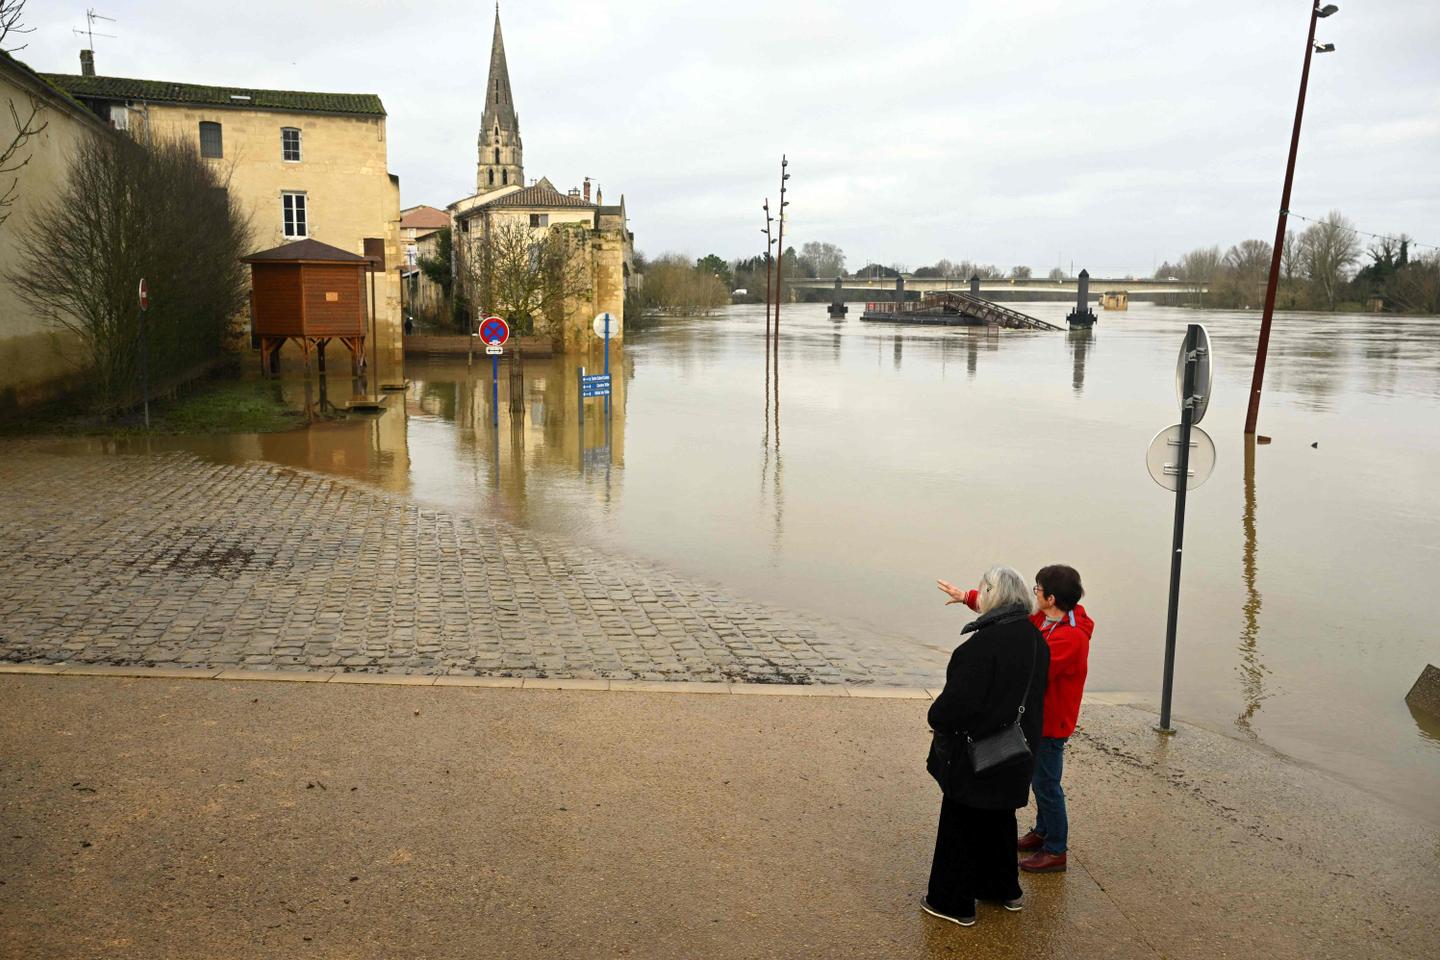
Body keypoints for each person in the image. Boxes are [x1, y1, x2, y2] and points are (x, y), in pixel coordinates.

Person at [938, 564, 1093, 874]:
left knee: (1047, 784)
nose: (1033, 594)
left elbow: (1032, 670)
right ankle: (1042, 831)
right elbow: (1011, 614)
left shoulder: (1072, 638)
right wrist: (969, 597)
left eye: (1037, 590)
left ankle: (1056, 849)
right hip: (1038, 719)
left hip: (1051, 724)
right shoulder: (1044, 618)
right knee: (1038, 781)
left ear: (1050, 597)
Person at [924, 566, 1048, 927]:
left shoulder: (981, 647)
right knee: (999, 819)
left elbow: (955, 707)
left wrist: (936, 717)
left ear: (993, 597)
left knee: (959, 824)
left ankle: (951, 903)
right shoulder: (1036, 640)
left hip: (977, 752)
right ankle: (1002, 889)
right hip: (1017, 750)